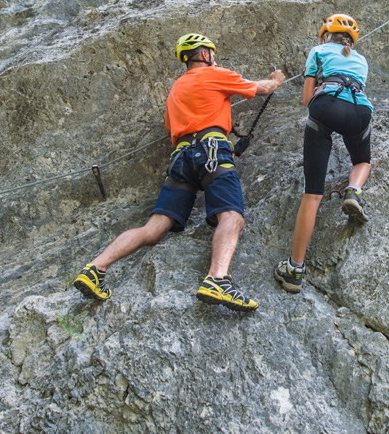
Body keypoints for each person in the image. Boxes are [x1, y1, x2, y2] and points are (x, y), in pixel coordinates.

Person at [74, 33, 285, 311]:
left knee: (152, 229)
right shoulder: (215, 74)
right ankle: (217, 279)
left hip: (181, 158)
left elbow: (173, 126)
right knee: (231, 216)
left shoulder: (175, 90)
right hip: (212, 150)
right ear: (205, 54)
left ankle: (95, 268)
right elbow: (262, 88)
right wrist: (278, 78)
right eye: (212, 52)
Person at [274, 14, 374, 294]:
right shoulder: (361, 60)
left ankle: (294, 269)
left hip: (325, 106)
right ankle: (353, 190)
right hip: (359, 111)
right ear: (351, 40)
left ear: (324, 36)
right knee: (363, 160)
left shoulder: (317, 52)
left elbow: (306, 100)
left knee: (313, 194)